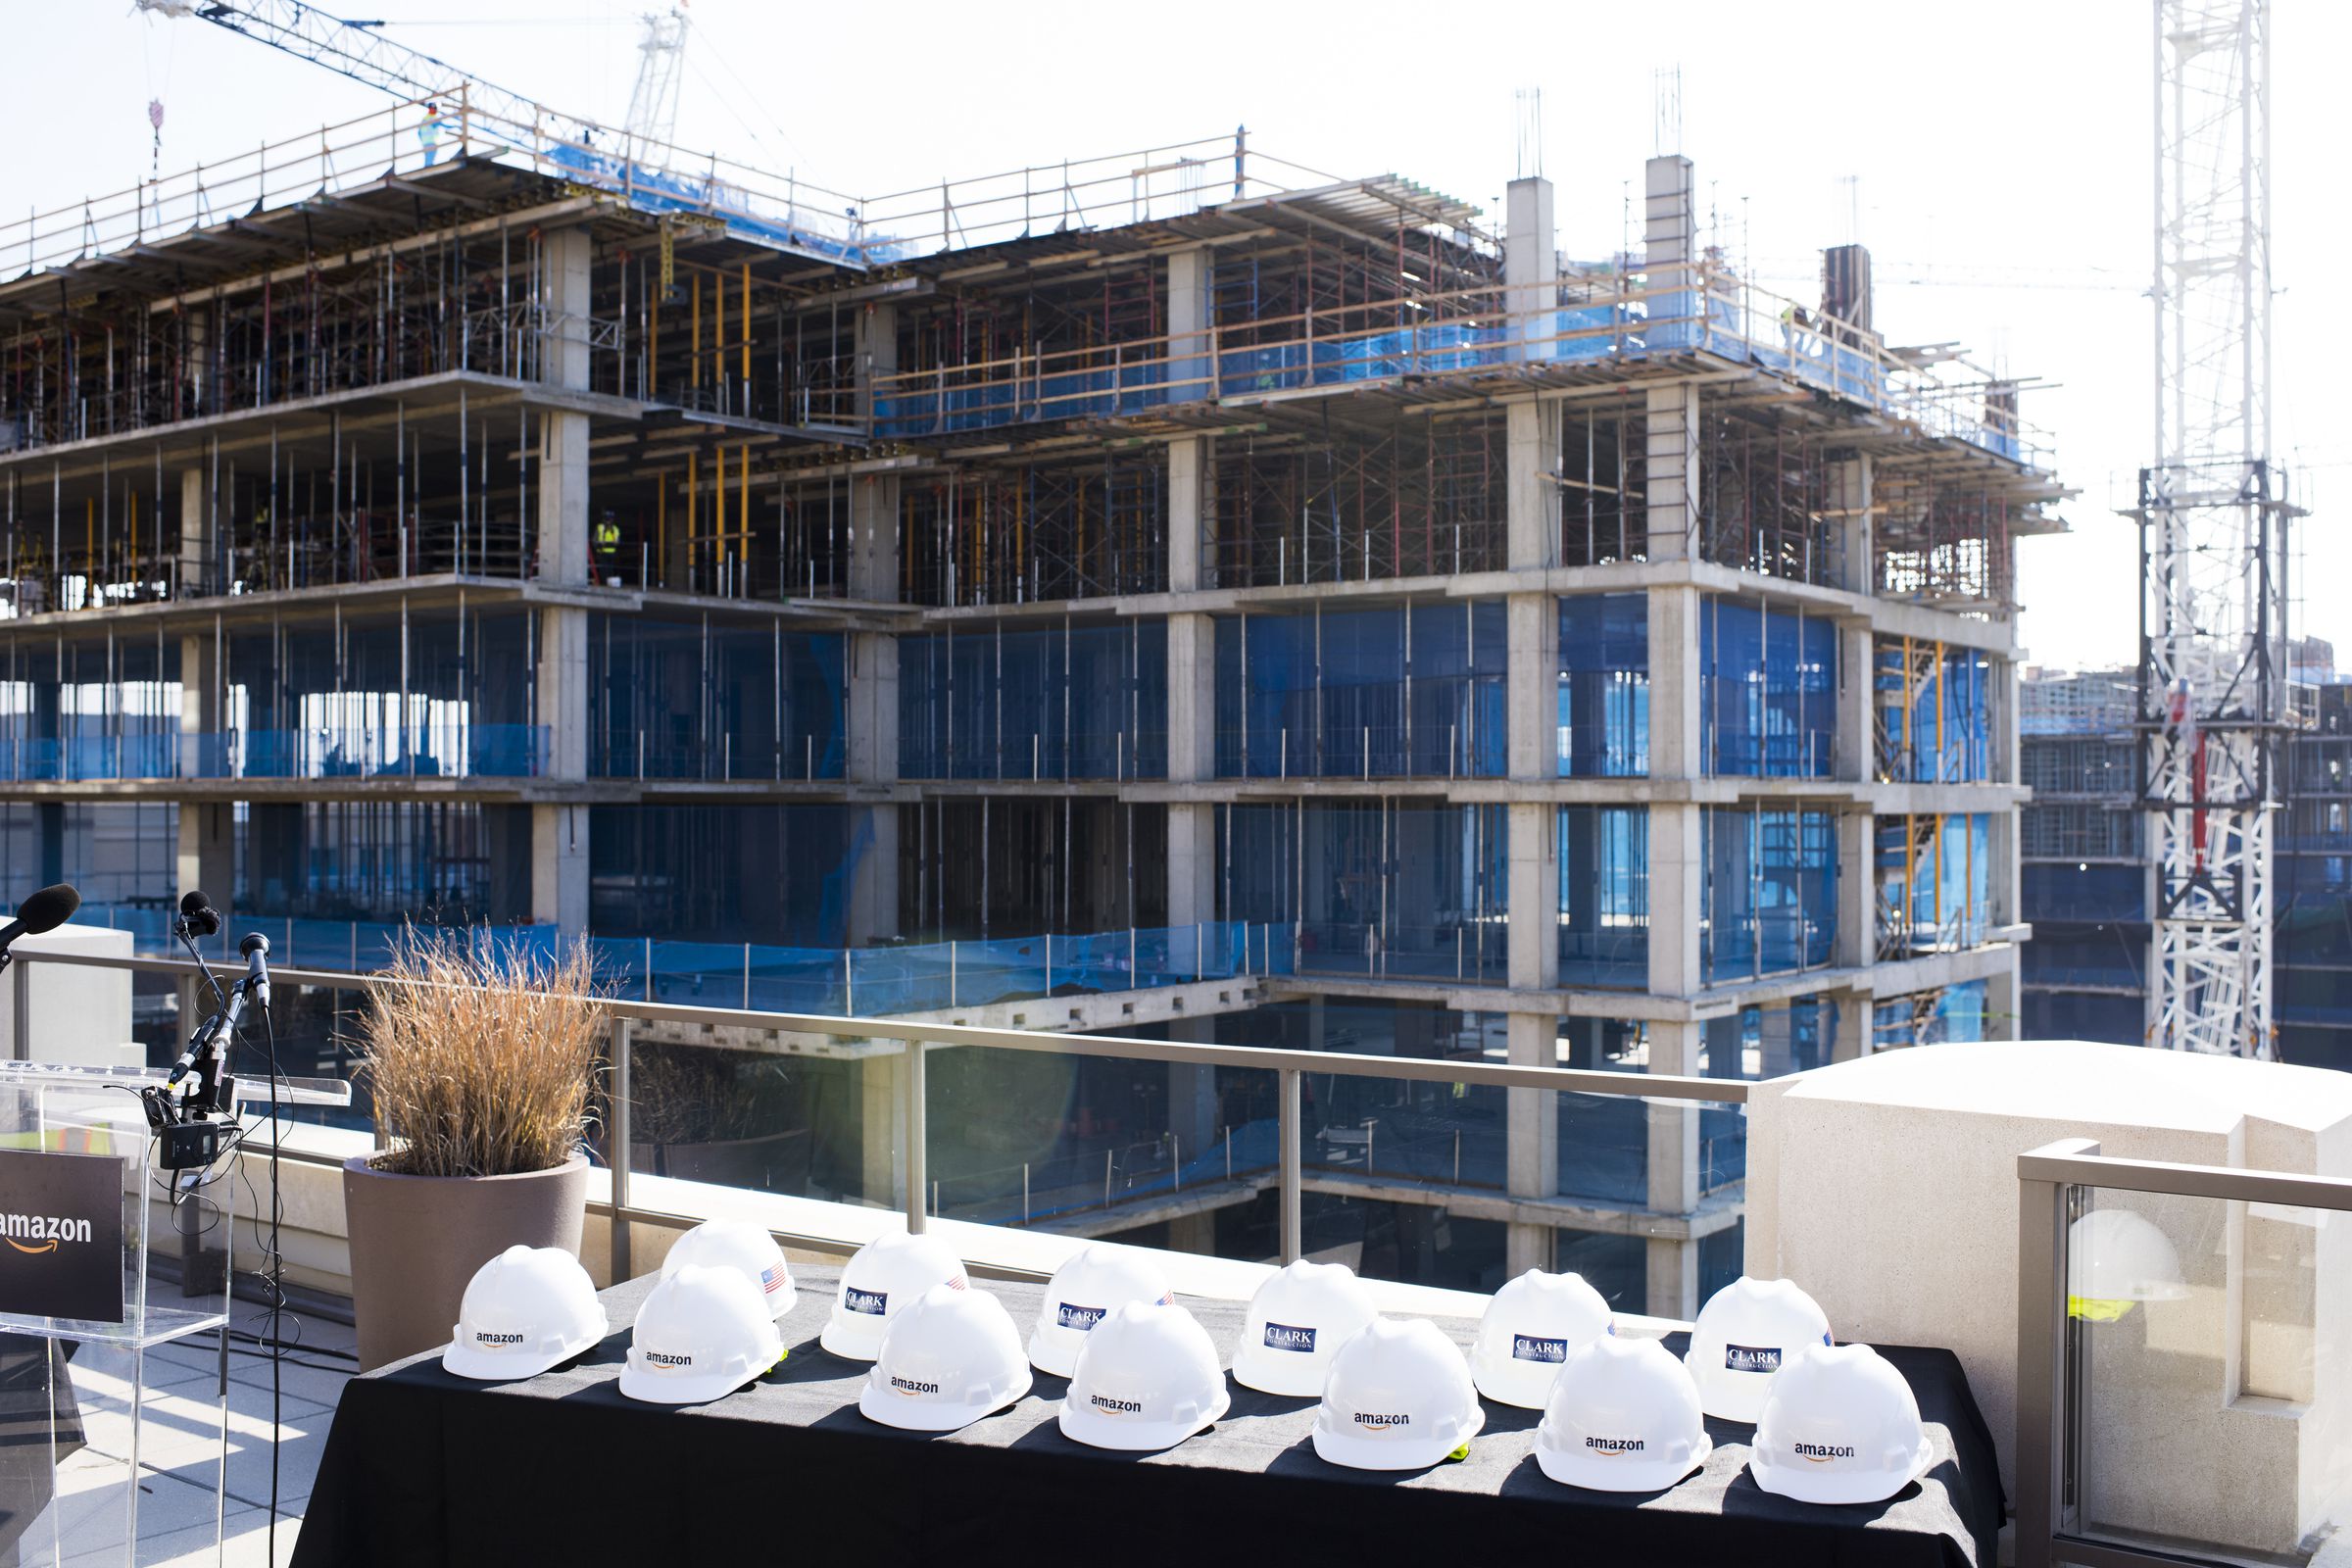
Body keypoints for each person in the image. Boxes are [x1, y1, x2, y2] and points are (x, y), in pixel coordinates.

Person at [416, 102, 443, 169]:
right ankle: (428, 169)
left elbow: (419, 132)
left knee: (428, 158)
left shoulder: (425, 119)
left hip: (426, 142)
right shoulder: (433, 118)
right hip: (432, 142)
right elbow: (442, 125)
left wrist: (422, 141)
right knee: (430, 159)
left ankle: (427, 168)